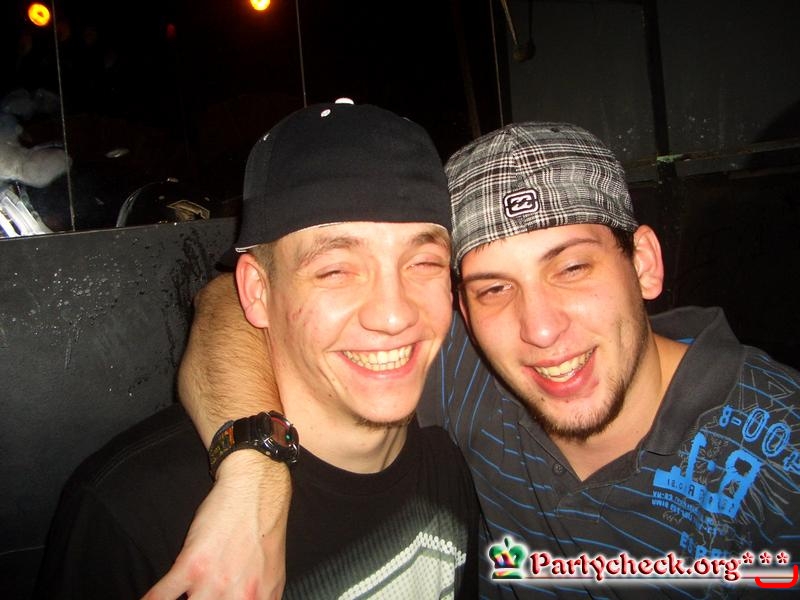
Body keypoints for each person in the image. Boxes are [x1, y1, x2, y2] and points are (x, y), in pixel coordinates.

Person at [148, 122, 800, 599]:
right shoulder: (470, 374)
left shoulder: (781, 452)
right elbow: (234, 304)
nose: (540, 329)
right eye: (494, 288)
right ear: (462, 307)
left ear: (645, 264)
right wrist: (253, 471)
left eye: (572, 268)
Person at [34, 99, 480, 599]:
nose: (394, 315)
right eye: (335, 271)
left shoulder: (453, 461)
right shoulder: (136, 516)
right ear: (257, 291)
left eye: (424, 263)